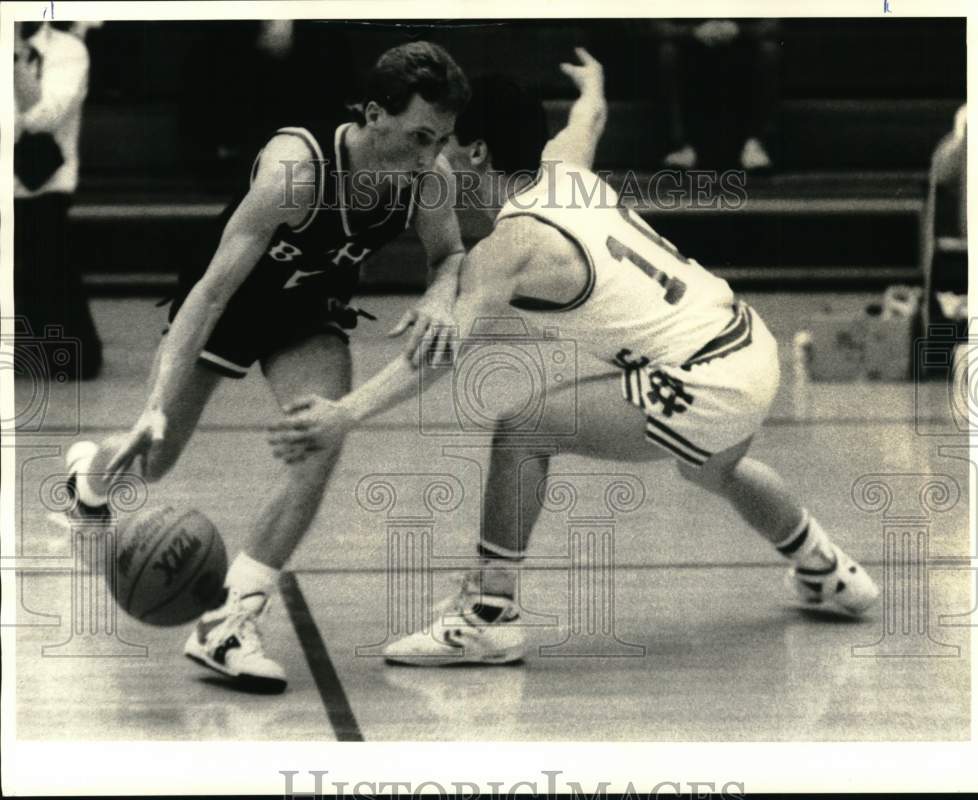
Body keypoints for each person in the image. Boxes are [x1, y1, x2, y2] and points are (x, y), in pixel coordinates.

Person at [268, 49, 879, 666]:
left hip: (705, 375)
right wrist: (594, 83)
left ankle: (488, 616)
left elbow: (439, 356)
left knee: (523, 429)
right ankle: (827, 571)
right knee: (712, 467)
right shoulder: (564, 165)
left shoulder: (509, 246)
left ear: (475, 153)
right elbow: (588, 118)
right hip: (748, 344)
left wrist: (344, 414)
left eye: (444, 141)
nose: (431, 157)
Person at [62, 41, 471, 689]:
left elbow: (449, 254)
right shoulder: (296, 171)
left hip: (308, 308)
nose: (429, 155)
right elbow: (210, 293)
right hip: (231, 301)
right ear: (373, 114)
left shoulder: (429, 179)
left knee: (321, 437)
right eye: (420, 135)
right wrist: (153, 405)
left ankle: (227, 624)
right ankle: (91, 475)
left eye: (443, 139)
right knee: (155, 456)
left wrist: (442, 294)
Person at [14, 20, 103, 380]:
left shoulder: (68, 49)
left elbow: (42, 118)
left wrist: (14, 55)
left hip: (42, 191)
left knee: (73, 354)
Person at [654, 19, 780, 171]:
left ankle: (756, 143)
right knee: (667, 52)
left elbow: (773, 24)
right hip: (691, 45)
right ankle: (679, 145)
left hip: (743, 45)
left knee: (769, 50)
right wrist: (693, 32)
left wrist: (738, 30)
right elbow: (658, 25)